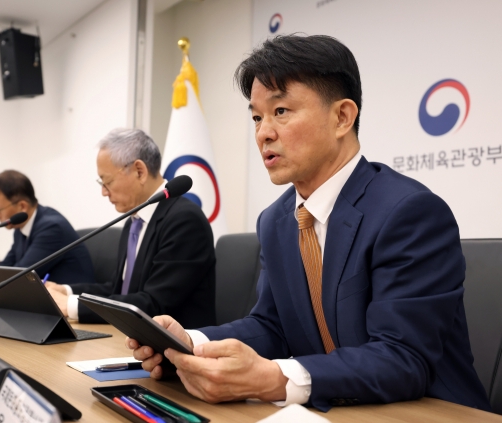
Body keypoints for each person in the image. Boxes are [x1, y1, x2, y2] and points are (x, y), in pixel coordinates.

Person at [129, 34, 490, 412]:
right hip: (334, 405)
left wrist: (274, 379)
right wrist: (189, 342)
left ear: (342, 117)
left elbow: (402, 358)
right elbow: (272, 326)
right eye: (256, 116)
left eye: (280, 111)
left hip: (426, 411)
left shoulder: (409, 213)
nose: (263, 132)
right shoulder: (276, 221)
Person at [45, 128, 216, 329]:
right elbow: (118, 289)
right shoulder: (134, 221)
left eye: (107, 182)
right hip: (132, 337)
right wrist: (66, 291)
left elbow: (154, 303)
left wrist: (71, 306)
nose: (103, 192)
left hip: (175, 349)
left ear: (139, 171)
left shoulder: (184, 221)